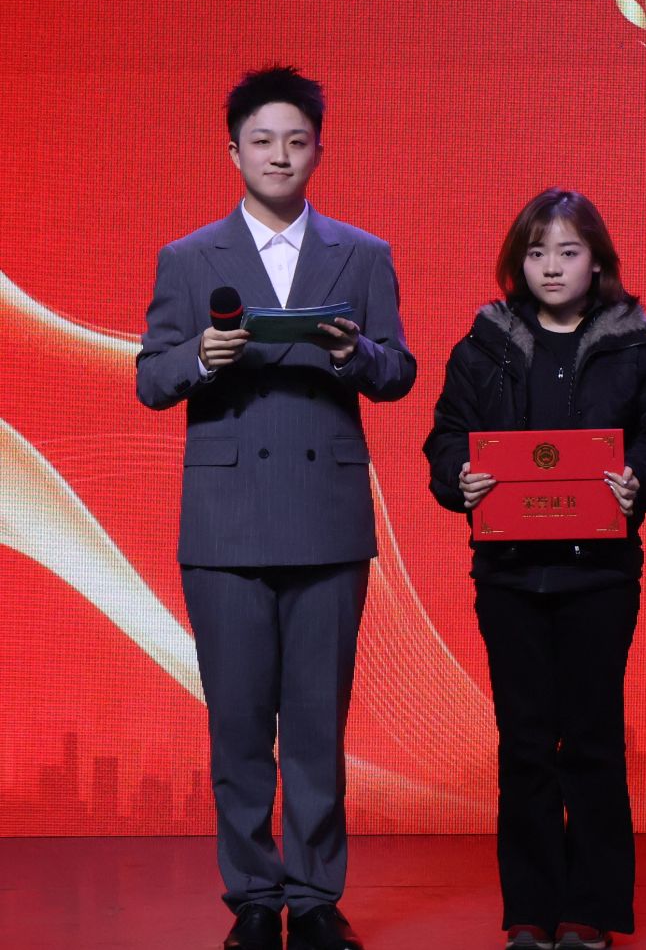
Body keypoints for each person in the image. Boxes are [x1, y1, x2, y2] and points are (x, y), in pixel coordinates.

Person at [136, 66, 416, 950]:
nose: (279, 156)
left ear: (318, 151)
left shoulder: (361, 253)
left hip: (326, 513)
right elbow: (150, 377)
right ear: (233, 152)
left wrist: (353, 353)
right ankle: (255, 898)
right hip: (225, 520)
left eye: (296, 141)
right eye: (262, 140)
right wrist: (201, 357)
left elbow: (399, 371)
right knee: (239, 723)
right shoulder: (188, 258)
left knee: (318, 723)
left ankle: (317, 896)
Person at [423, 189, 646, 950]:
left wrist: (641, 476)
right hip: (509, 575)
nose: (551, 266)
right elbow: (446, 436)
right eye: (536, 252)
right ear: (519, 262)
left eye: (568, 251)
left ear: (597, 260)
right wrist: (458, 475)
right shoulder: (483, 345)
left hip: (599, 575)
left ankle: (591, 909)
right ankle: (529, 911)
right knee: (525, 744)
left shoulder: (643, 348)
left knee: (593, 740)